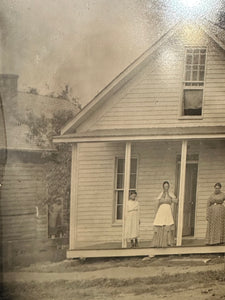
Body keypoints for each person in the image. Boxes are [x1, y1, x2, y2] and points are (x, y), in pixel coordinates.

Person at [152, 181, 178, 248]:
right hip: (161, 210)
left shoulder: (171, 193)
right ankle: (160, 242)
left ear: (168, 187)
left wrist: (171, 198)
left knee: (168, 225)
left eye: (167, 186)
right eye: (165, 186)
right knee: (161, 225)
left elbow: (176, 201)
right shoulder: (161, 194)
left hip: (168, 210)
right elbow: (157, 202)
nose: (166, 187)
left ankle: (169, 242)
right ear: (163, 187)